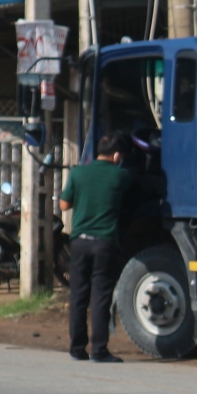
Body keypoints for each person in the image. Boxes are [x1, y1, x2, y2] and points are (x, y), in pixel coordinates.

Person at [59, 131, 136, 363]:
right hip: (105, 243)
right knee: (100, 296)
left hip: (79, 242)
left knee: (78, 296)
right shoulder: (120, 176)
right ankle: (100, 350)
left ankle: (77, 349)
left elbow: (64, 205)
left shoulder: (78, 173)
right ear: (116, 156)